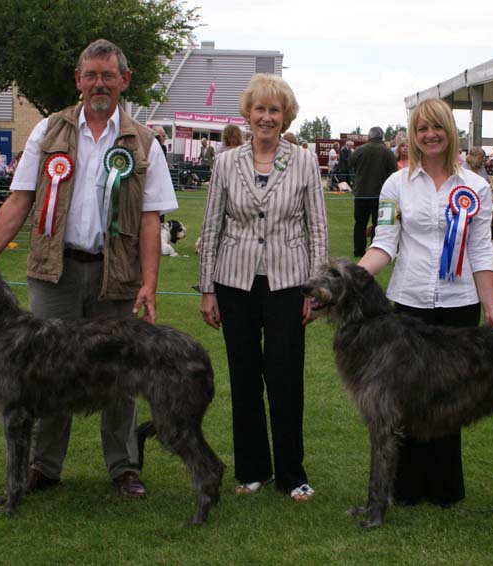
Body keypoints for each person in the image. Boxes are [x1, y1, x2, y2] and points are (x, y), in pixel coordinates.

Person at [0, 38, 177, 499]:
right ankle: (44, 466)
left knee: (120, 374)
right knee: (46, 371)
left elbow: (150, 219)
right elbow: (20, 198)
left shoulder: (144, 141)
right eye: (91, 75)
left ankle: (124, 467)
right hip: (55, 270)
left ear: (125, 80)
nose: (99, 83)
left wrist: (149, 282)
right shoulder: (48, 130)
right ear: (78, 79)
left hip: (116, 273)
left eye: (108, 75)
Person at [357, 98, 493, 508]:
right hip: (407, 304)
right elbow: (384, 243)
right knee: (404, 398)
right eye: (421, 129)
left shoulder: (475, 187)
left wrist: (490, 309)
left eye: (436, 127)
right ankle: (405, 486)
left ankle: (445, 487)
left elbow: (481, 251)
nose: (430, 135)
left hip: (459, 306)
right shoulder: (394, 185)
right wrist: (353, 276)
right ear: (413, 135)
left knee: (450, 396)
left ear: (449, 131)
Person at [198, 73, 328, 502]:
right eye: (260, 109)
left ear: (285, 116)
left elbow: (318, 229)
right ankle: (252, 469)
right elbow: (213, 224)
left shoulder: (305, 161)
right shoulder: (225, 162)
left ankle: (293, 473)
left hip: (288, 283)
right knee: (244, 377)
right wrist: (207, 289)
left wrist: (317, 289)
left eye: (274, 110)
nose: (266, 118)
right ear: (247, 114)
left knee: (286, 378)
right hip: (233, 282)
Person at [348, 126, 397, 256]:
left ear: (369, 136)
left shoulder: (359, 150)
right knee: (378, 224)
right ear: (382, 137)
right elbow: (394, 172)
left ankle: (358, 250)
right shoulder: (387, 152)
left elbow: (349, 164)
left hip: (361, 195)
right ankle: (375, 250)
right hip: (380, 195)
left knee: (360, 224)